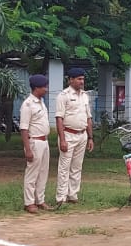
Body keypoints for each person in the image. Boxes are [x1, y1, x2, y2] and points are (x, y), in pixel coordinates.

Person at [55, 67, 94, 206]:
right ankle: (61, 197)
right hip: (68, 134)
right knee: (64, 167)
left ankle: (73, 194)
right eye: (79, 79)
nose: (81, 82)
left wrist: (90, 137)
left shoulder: (85, 95)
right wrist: (62, 139)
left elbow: (88, 117)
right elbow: (59, 118)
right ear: (70, 80)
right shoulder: (63, 95)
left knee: (77, 167)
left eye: (83, 79)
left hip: (82, 135)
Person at [19, 74, 52, 213]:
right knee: (32, 173)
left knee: (43, 172)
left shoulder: (41, 102)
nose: (46, 89)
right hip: (34, 141)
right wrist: (28, 149)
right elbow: (24, 128)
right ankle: (29, 202)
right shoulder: (28, 104)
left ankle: (40, 200)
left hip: (44, 141)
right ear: (36, 88)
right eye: (44, 87)